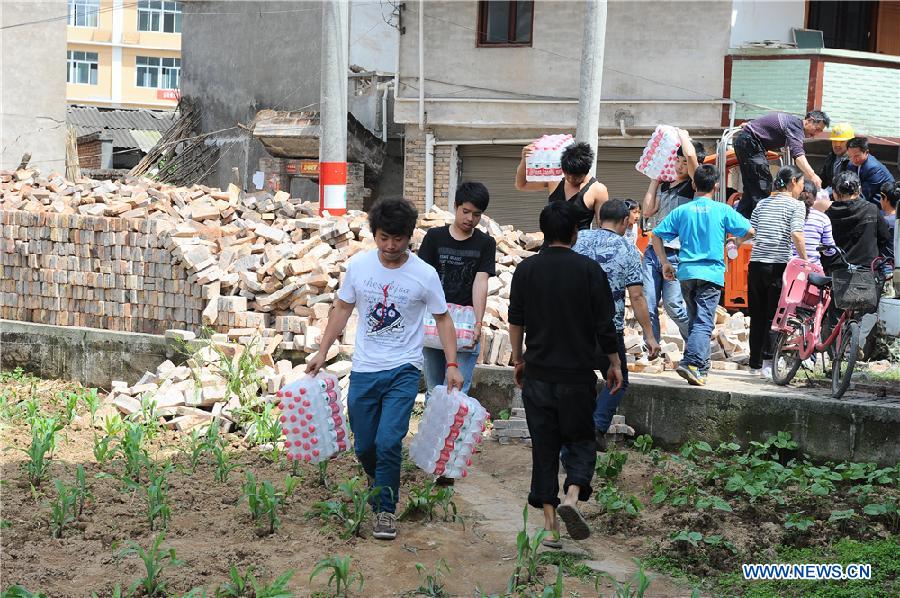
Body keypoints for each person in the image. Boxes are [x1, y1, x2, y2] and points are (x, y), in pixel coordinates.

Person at [306, 198, 464, 541]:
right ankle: (378, 479)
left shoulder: (424, 274)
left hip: (403, 369)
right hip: (364, 369)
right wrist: (323, 351)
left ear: (409, 237)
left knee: (389, 440)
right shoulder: (360, 268)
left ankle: (384, 511)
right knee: (364, 446)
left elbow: (443, 319)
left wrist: (452, 364)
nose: (390, 246)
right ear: (373, 234)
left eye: (398, 239)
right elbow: (342, 309)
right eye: (383, 238)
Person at [508, 201, 622, 545]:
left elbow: (516, 320)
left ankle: (549, 527)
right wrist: (613, 363)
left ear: (544, 233)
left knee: (544, 447)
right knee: (581, 439)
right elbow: (606, 325)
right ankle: (572, 496)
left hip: (539, 375)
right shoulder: (589, 271)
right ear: (575, 233)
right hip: (576, 377)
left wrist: (518, 359)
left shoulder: (526, 270)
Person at [417, 181, 496, 485]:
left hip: (464, 330)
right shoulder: (434, 238)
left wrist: (478, 322)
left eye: (476, 215)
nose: (470, 219)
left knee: (458, 396)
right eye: (466, 212)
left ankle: (446, 463)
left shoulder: (485, 243)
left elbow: (480, 282)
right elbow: (423, 279)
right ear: (456, 206)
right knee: (437, 393)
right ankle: (432, 456)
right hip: (434, 326)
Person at [651, 164, 754, 386]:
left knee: (696, 320)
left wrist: (665, 263)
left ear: (694, 184)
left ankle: (701, 369)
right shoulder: (723, 210)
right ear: (716, 185)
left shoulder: (682, 210)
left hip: (686, 273)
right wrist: (736, 241)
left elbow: (656, 235)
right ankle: (691, 362)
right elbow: (750, 231)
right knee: (703, 322)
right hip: (711, 273)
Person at [572, 199, 660, 446]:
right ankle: (596, 426)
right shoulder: (628, 248)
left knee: (577, 380)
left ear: (599, 219)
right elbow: (637, 295)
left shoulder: (579, 239)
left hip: (572, 326)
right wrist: (649, 335)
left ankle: (576, 428)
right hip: (607, 331)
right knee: (618, 380)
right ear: (624, 221)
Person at [641, 129, 706, 343]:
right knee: (648, 303)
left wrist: (682, 134)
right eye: (677, 161)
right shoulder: (667, 184)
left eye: (684, 163)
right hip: (653, 251)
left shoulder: (695, 187)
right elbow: (647, 211)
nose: (679, 166)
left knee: (673, 306)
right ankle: (652, 347)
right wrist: (655, 180)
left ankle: (696, 344)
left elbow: (691, 157)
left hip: (677, 255)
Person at [748, 166, 808, 379]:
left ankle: (754, 364)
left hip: (755, 264)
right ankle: (767, 362)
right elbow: (797, 234)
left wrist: (733, 243)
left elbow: (751, 231)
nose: (802, 189)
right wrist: (805, 261)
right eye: (801, 184)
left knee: (756, 315)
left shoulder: (762, 204)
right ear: (793, 181)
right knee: (775, 315)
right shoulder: (797, 205)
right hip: (778, 266)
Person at [732, 110, 830, 218]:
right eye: (817, 129)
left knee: (751, 188)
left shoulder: (791, 121)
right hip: (750, 143)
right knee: (762, 185)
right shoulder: (796, 127)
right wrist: (812, 175)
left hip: (746, 142)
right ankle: (763, 224)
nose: (815, 134)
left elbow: (765, 123)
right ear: (809, 120)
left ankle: (740, 224)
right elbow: (798, 153)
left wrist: (751, 124)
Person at [515, 141, 609, 230]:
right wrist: (524, 161)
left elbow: (603, 226)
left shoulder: (598, 190)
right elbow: (521, 185)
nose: (571, 179)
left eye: (577, 177)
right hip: (551, 244)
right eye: (567, 175)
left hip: (578, 245)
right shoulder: (555, 180)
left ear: (586, 171)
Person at [824, 171, 892, 272]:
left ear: (834, 192)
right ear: (859, 190)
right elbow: (884, 238)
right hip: (867, 271)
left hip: (836, 272)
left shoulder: (827, 214)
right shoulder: (872, 209)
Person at [793, 181, 835, 266]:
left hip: (787, 269)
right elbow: (831, 250)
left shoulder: (785, 215)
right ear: (815, 198)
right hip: (813, 271)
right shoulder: (823, 218)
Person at [845, 137, 896, 207]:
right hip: (864, 197)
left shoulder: (874, 168)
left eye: (857, 156)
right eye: (850, 156)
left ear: (866, 152)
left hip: (882, 204)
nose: (853, 159)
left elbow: (864, 195)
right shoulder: (851, 164)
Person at [818, 123, 853, 190]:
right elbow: (823, 179)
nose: (837, 145)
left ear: (850, 142)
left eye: (841, 141)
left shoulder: (853, 161)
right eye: (834, 141)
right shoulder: (831, 156)